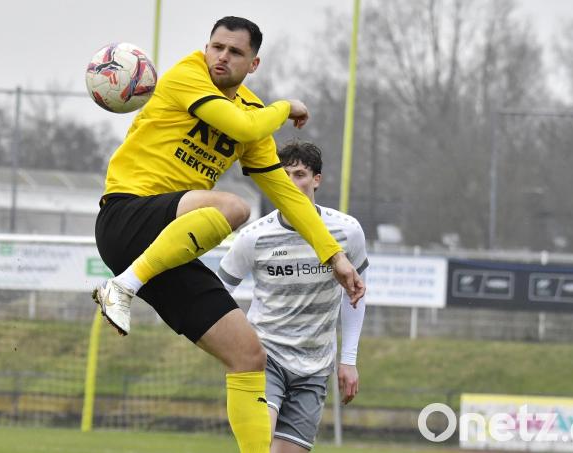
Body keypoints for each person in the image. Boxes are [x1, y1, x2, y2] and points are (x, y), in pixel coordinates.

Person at [92, 16, 365, 453]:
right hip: (126, 217)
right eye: (216, 47)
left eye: (234, 52)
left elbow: (291, 199)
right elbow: (242, 128)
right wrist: (286, 106)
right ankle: (121, 287)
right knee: (234, 205)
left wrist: (336, 258)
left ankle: (125, 285)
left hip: (168, 249)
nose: (221, 56)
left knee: (248, 355)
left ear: (252, 64)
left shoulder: (254, 114)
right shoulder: (187, 74)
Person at [217, 141, 368, 452]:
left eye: (299, 174)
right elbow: (218, 293)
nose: (291, 182)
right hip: (264, 356)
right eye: (283, 175)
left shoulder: (347, 231)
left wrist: (348, 360)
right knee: (259, 444)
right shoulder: (253, 237)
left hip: (314, 367)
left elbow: (354, 296)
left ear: (317, 180)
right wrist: (231, 345)